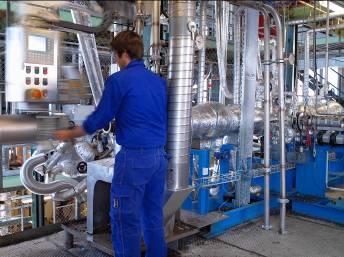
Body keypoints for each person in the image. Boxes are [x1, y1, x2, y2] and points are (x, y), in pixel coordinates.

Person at [54, 31, 168, 257]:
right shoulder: (158, 82)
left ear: (124, 53)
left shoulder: (119, 80)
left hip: (134, 159)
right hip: (159, 159)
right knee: (153, 217)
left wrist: (70, 133)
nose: (115, 61)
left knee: (125, 220)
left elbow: (100, 119)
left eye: (116, 56)